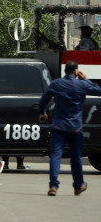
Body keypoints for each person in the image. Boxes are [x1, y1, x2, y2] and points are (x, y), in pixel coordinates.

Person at [38, 60, 101, 196]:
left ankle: (53, 186)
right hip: (75, 127)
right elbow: (99, 91)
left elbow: (43, 101)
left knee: (56, 155)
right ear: (76, 71)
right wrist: (86, 79)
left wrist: (42, 113)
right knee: (76, 157)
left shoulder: (56, 84)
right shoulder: (82, 84)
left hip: (58, 126)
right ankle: (78, 186)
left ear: (65, 70)